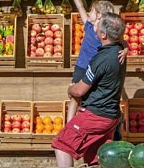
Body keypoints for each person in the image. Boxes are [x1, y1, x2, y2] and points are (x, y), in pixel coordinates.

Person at [52, 12, 127, 168]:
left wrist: (70, 88)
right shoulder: (119, 51)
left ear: (103, 34)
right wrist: (126, 48)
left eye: (99, 23)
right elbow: (124, 41)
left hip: (95, 116)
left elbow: (79, 91)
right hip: (111, 116)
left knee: (62, 145)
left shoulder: (101, 59)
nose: (96, 23)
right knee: (95, 158)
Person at [62, 0, 126, 123]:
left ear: (98, 16)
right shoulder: (89, 27)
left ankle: (83, 122)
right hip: (82, 65)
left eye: (91, 11)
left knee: (88, 97)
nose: (88, 13)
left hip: (95, 69)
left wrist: (126, 50)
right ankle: (70, 124)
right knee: (75, 96)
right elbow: (79, 7)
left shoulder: (105, 33)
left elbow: (123, 41)